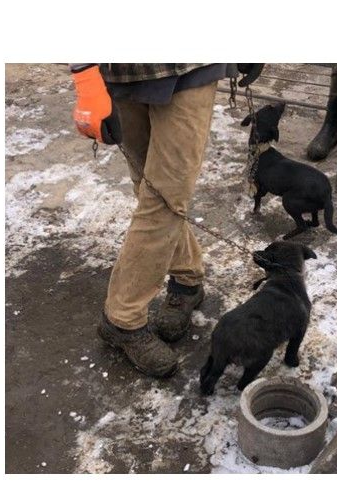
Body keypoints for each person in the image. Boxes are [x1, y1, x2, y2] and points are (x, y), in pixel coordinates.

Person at [70, 63, 262, 377]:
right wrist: (86, 78)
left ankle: (123, 316)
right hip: (120, 70)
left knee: (164, 194)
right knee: (148, 186)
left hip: (190, 64)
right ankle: (187, 279)